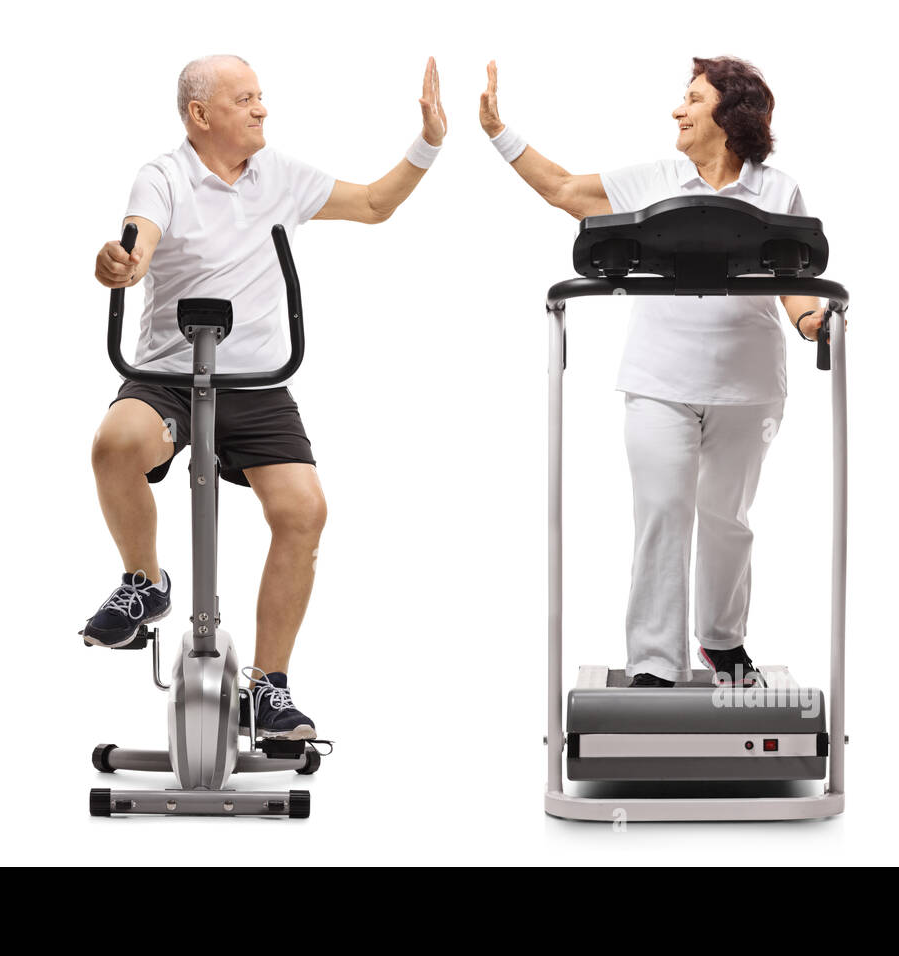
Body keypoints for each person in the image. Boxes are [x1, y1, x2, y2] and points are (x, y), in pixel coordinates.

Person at [85, 53, 447, 737]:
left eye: (260, 97)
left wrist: (429, 141)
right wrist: (123, 262)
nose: (262, 109)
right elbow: (140, 238)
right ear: (201, 115)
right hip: (169, 375)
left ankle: (268, 688)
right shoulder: (163, 175)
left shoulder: (277, 175)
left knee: (303, 511)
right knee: (114, 445)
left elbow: (373, 204)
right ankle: (144, 582)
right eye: (246, 99)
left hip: (255, 382)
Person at [480, 55, 827, 688]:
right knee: (664, 511)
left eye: (694, 99)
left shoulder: (778, 190)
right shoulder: (657, 179)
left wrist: (812, 323)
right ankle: (655, 664)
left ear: (731, 114)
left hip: (748, 386)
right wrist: (499, 131)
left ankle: (722, 643)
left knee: (728, 518)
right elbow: (562, 188)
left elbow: (795, 280)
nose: (678, 109)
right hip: (659, 383)